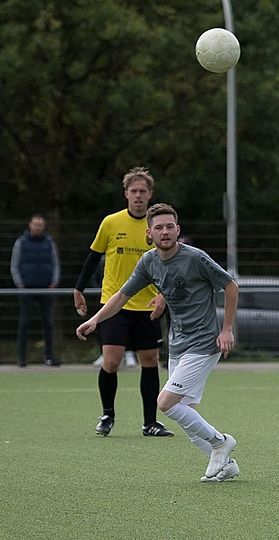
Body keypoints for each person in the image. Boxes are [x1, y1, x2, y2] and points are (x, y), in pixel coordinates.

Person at [76, 203, 240, 482]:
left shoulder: (196, 258)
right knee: (185, 414)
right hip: (178, 344)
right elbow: (121, 297)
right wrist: (96, 320)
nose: (165, 232)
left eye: (170, 226)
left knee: (165, 403)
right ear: (149, 234)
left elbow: (230, 286)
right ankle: (227, 466)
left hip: (203, 342)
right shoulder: (149, 262)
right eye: (159, 227)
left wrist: (226, 330)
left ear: (178, 230)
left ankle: (220, 442)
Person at [74, 167, 173, 437]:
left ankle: (150, 422)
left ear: (150, 194)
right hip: (114, 303)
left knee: (150, 361)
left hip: (148, 305)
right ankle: (107, 415)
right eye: (134, 191)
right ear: (126, 194)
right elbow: (93, 257)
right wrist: (79, 288)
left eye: (143, 191)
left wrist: (162, 294)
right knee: (111, 360)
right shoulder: (111, 222)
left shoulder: (156, 227)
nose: (138, 195)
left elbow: (169, 263)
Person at [11, 214, 60, 367]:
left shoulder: (49, 242)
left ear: (43, 226)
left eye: (40, 225)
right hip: (27, 289)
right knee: (25, 323)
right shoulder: (21, 242)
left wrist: (54, 282)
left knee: (48, 323)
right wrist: (20, 285)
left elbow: (55, 263)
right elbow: (14, 265)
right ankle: (22, 358)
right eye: (35, 224)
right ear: (30, 225)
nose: (38, 227)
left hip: (46, 288)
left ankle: (49, 357)